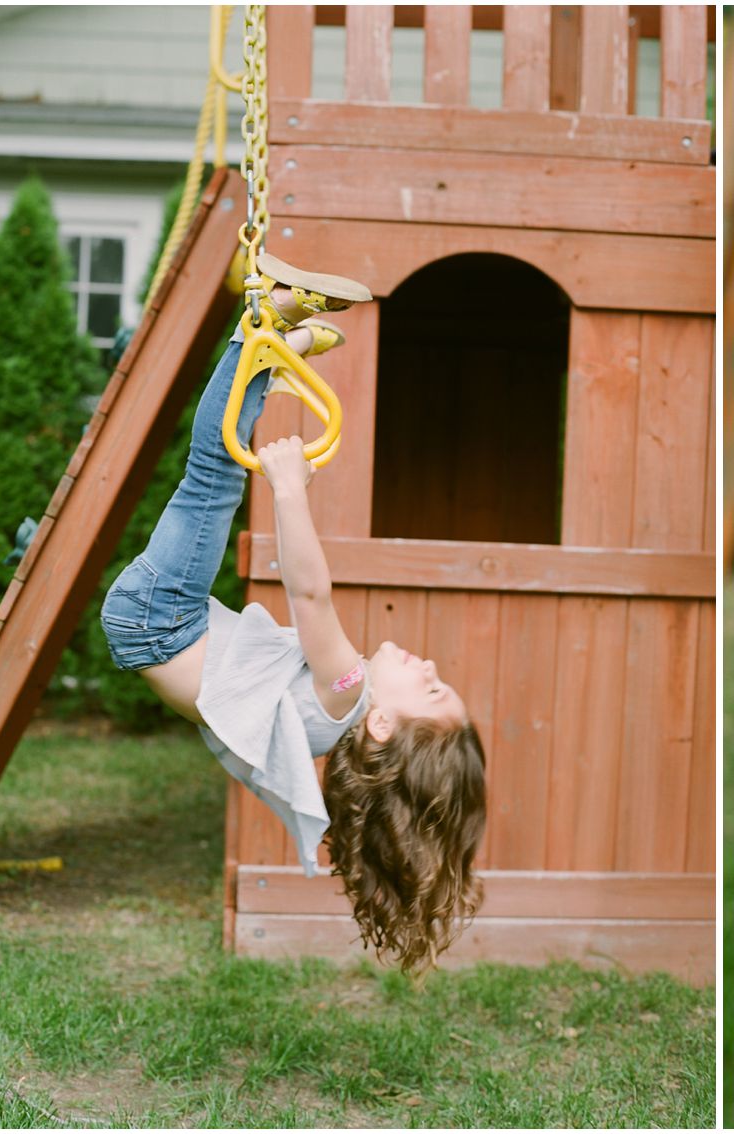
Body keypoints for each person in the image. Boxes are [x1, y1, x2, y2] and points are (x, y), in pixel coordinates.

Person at [100, 259, 487, 973]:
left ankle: (265, 327)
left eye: (431, 689)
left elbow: (310, 595)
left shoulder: (345, 693)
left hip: (161, 618)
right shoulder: (339, 711)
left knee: (216, 472)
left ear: (381, 723)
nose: (431, 668)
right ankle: (269, 354)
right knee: (212, 470)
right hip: (158, 627)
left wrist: (289, 489)